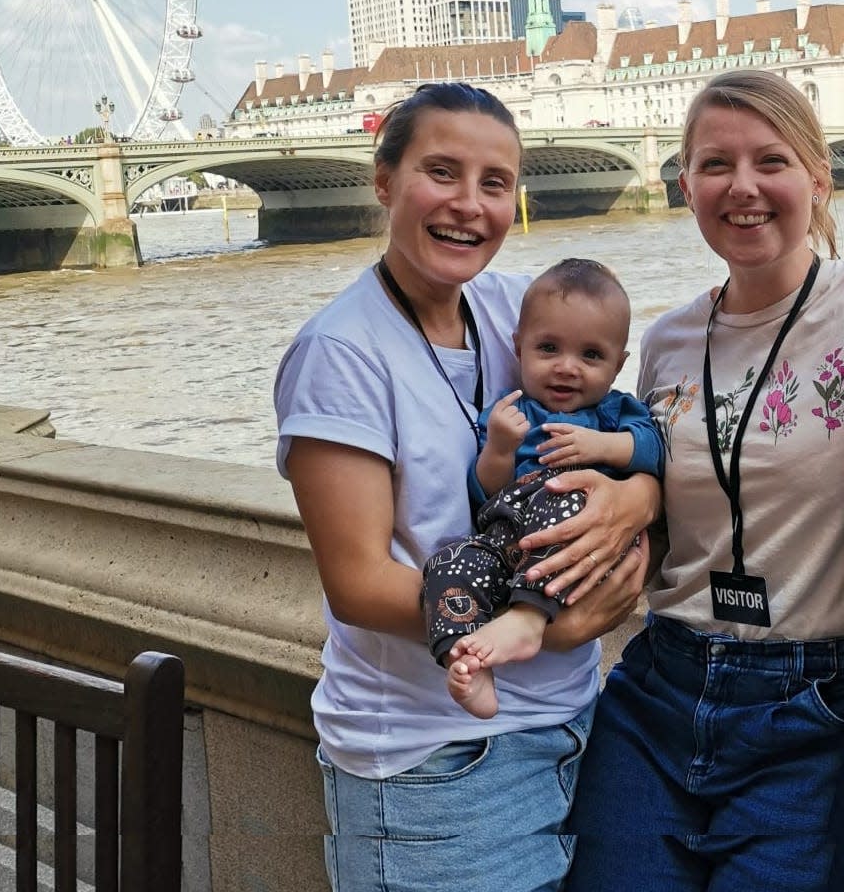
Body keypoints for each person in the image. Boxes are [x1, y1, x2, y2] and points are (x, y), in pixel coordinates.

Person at [274, 81, 660, 892]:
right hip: (436, 765)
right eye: (440, 172)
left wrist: (637, 498)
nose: (469, 205)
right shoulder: (340, 353)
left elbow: (622, 428)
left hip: (569, 729)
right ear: (383, 181)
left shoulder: (512, 307)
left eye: (495, 182)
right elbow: (359, 583)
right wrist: (542, 629)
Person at [566, 68, 844, 892]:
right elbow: (670, 497)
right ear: (684, 184)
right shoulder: (667, 340)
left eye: (772, 161)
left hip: (808, 709)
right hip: (660, 688)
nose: (744, 187)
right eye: (716, 165)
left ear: (818, 176)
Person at [423, 257, 664, 719]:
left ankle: (528, 621)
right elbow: (483, 492)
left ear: (618, 364)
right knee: (448, 561)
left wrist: (603, 446)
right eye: (548, 348)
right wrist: (497, 448)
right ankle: (469, 660)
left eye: (591, 356)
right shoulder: (510, 412)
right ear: (518, 347)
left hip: (572, 542)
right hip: (510, 540)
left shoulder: (614, 413)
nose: (566, 368)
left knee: (565, 494)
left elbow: (654, 451)